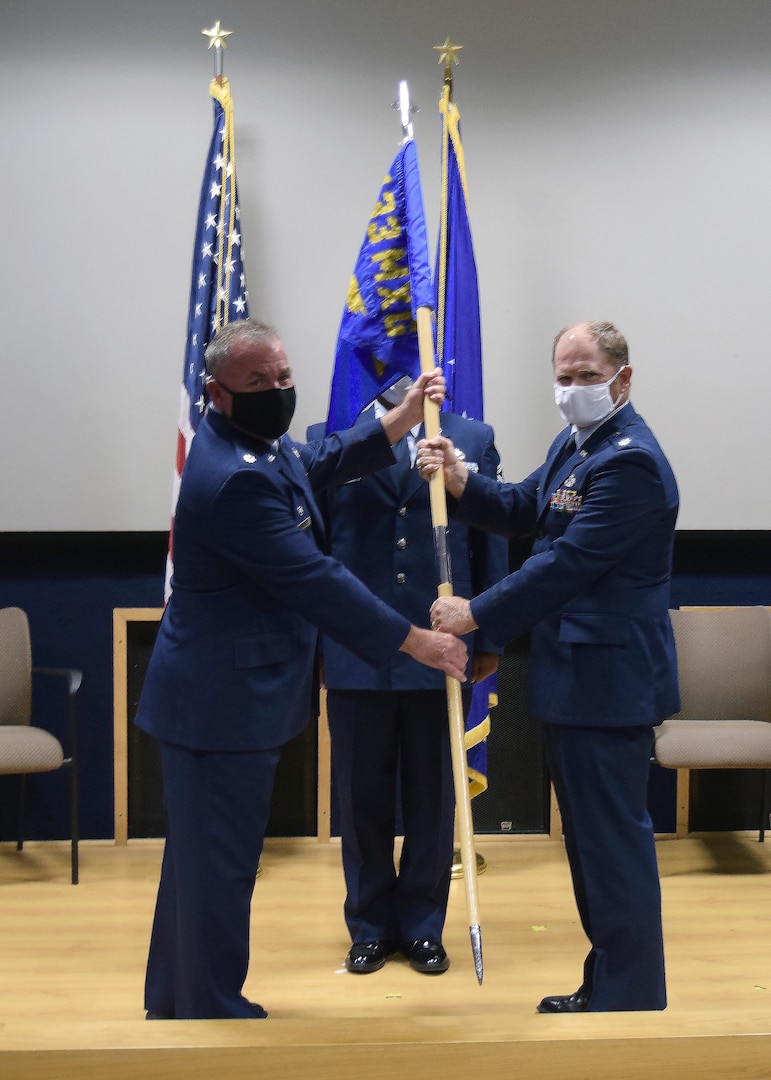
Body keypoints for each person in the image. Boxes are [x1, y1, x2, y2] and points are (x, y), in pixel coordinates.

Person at [135, 318, 467, 1021]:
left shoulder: (250, 447)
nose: (278, 392)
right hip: (217, 703)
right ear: (216, 393)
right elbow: (316, 579)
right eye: (259, 383)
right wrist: (415, 641)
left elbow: (315, 462)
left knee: (206, 864)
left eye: (284, 378)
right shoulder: (233, 480)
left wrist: (397, 419)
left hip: (227, 697)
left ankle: (182, 996)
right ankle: (207, 1005)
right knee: (216, 867)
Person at [420, 321, 679, 1013]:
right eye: (562, 376)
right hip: (575, 680)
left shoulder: (629, 463)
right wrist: (460, 477)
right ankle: (612, 982)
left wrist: (476, 614)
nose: (570, 389)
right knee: (593, 847)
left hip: (609, 682)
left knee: (610, 844)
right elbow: (524, 509)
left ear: (622, 378)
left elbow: (565, 564)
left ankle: (627, 992)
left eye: (586, 375)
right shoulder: (576, 446)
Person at [307, 381, 508, 976]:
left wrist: (489, 634)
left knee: (430, 798)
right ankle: (368, 925)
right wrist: (317, 642)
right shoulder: (328, 444)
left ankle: (423, 925)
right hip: (355, 646)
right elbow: (314, 553)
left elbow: (489, 536)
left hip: (441, 644)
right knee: (359, 797)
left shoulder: (471, 438)